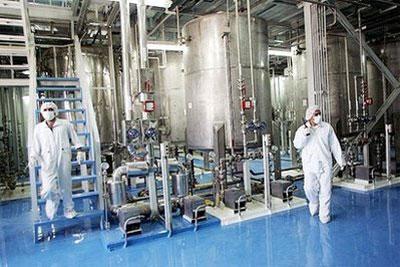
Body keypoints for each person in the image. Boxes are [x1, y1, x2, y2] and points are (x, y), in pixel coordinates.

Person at [29, 102, 86, 220]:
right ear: (41, 112)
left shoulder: (65, 124)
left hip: (63, 158)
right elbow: (35, 146)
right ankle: (52, 205)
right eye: (45, 109)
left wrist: (80, 151)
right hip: (47, 161)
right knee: (49, 188)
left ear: (55, 111)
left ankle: (69, 210)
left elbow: (75, 139)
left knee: (66, 185)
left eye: (50, 109)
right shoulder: (39, 128)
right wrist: (33, 157)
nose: (48, 112)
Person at [293, 105, 344, 224]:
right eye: (315, 114)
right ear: (309, 116)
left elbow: (335, 145)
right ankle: (314, 202)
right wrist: (305, 133)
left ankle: (324, 215)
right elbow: (297, 144)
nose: (318, 116)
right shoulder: (302, 130)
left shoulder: (327, 128)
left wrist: (341, 161)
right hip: (310, 164)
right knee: (309, 187)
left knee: (326, 190)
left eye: (319, 113)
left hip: (325, 163)